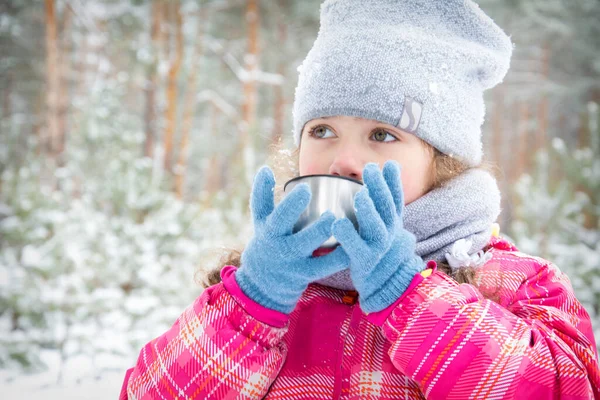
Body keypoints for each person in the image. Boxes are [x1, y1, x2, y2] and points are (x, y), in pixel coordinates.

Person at [120, 0, 600, 398]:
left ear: (443, 160)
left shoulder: (514, 283)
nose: (343, 160)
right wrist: (252, 305)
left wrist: (408, 294)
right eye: (322, 130)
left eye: (382, 135)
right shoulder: (265, 285)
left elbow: (565, 387)